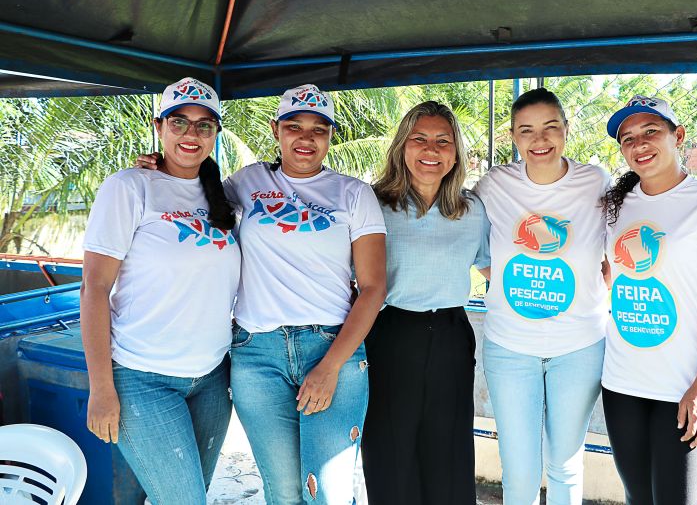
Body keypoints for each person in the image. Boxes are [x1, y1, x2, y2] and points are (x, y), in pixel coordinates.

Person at [140, 84, 387, 504]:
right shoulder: (246, 182)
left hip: (331, 348)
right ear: (276, 130)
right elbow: (192, 192)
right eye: (294, 126)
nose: (305, 138)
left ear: (330, 136)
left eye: (318, 129)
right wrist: (159, 166)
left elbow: (373, 288)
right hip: (256, 354)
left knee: (326, 491)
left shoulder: (353, 193)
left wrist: (329, 367)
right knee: (284, 492)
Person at [81, 77, 240, 505]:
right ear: (159, 126)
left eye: (205, 125)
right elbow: (95, 287)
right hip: (141, 377)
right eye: (179, 122)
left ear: (216, 133)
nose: (192, 134)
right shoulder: (129, 187)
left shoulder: (225, 197)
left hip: (211, 377)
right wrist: (101, 388)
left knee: (190, 495)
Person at [602, 95, 697, 505]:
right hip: (623, 383)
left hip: (684, 387)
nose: (639, 144)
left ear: (678, 136)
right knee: (637, 498)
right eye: (628, 138)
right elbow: (610, 273)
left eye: (651, 132)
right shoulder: (616, 206)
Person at [474, 88, 609, 505]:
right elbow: (475, 245)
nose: (540, 139)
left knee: (566, 465)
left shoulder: (595, 181)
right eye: (526, 130)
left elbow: (621, 237)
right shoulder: (495, 184)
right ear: (513, 137)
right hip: (510, 347)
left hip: (579, 347)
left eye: (551, 127)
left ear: (566, 130)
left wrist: (600, 280)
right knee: (519, 468)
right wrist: (508, 284)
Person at [362, 101, 490, 505]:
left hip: (452, 337)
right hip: (390, 335)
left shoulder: (472, 211)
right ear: (402, 146)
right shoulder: (372, 205)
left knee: (449, 454)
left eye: (443, 141)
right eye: (419, 139)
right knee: (390, 453)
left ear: (456, 153)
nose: (431, 150)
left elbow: (496, 273)